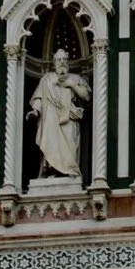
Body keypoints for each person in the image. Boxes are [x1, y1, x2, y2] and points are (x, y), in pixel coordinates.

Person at [29, 45, 88, 180]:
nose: (61, 62)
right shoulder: (47, 79)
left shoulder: (75, 78)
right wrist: (35, 110)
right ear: (54, 62)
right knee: (51, 144)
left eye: (64, 59)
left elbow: (86, 96)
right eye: (58, 59)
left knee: (70, 144)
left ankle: (70, 171)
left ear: (68, 61)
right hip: (50, 117)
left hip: (69, 118)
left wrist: (71, 84)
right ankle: (51, 171)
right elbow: (39, 97)